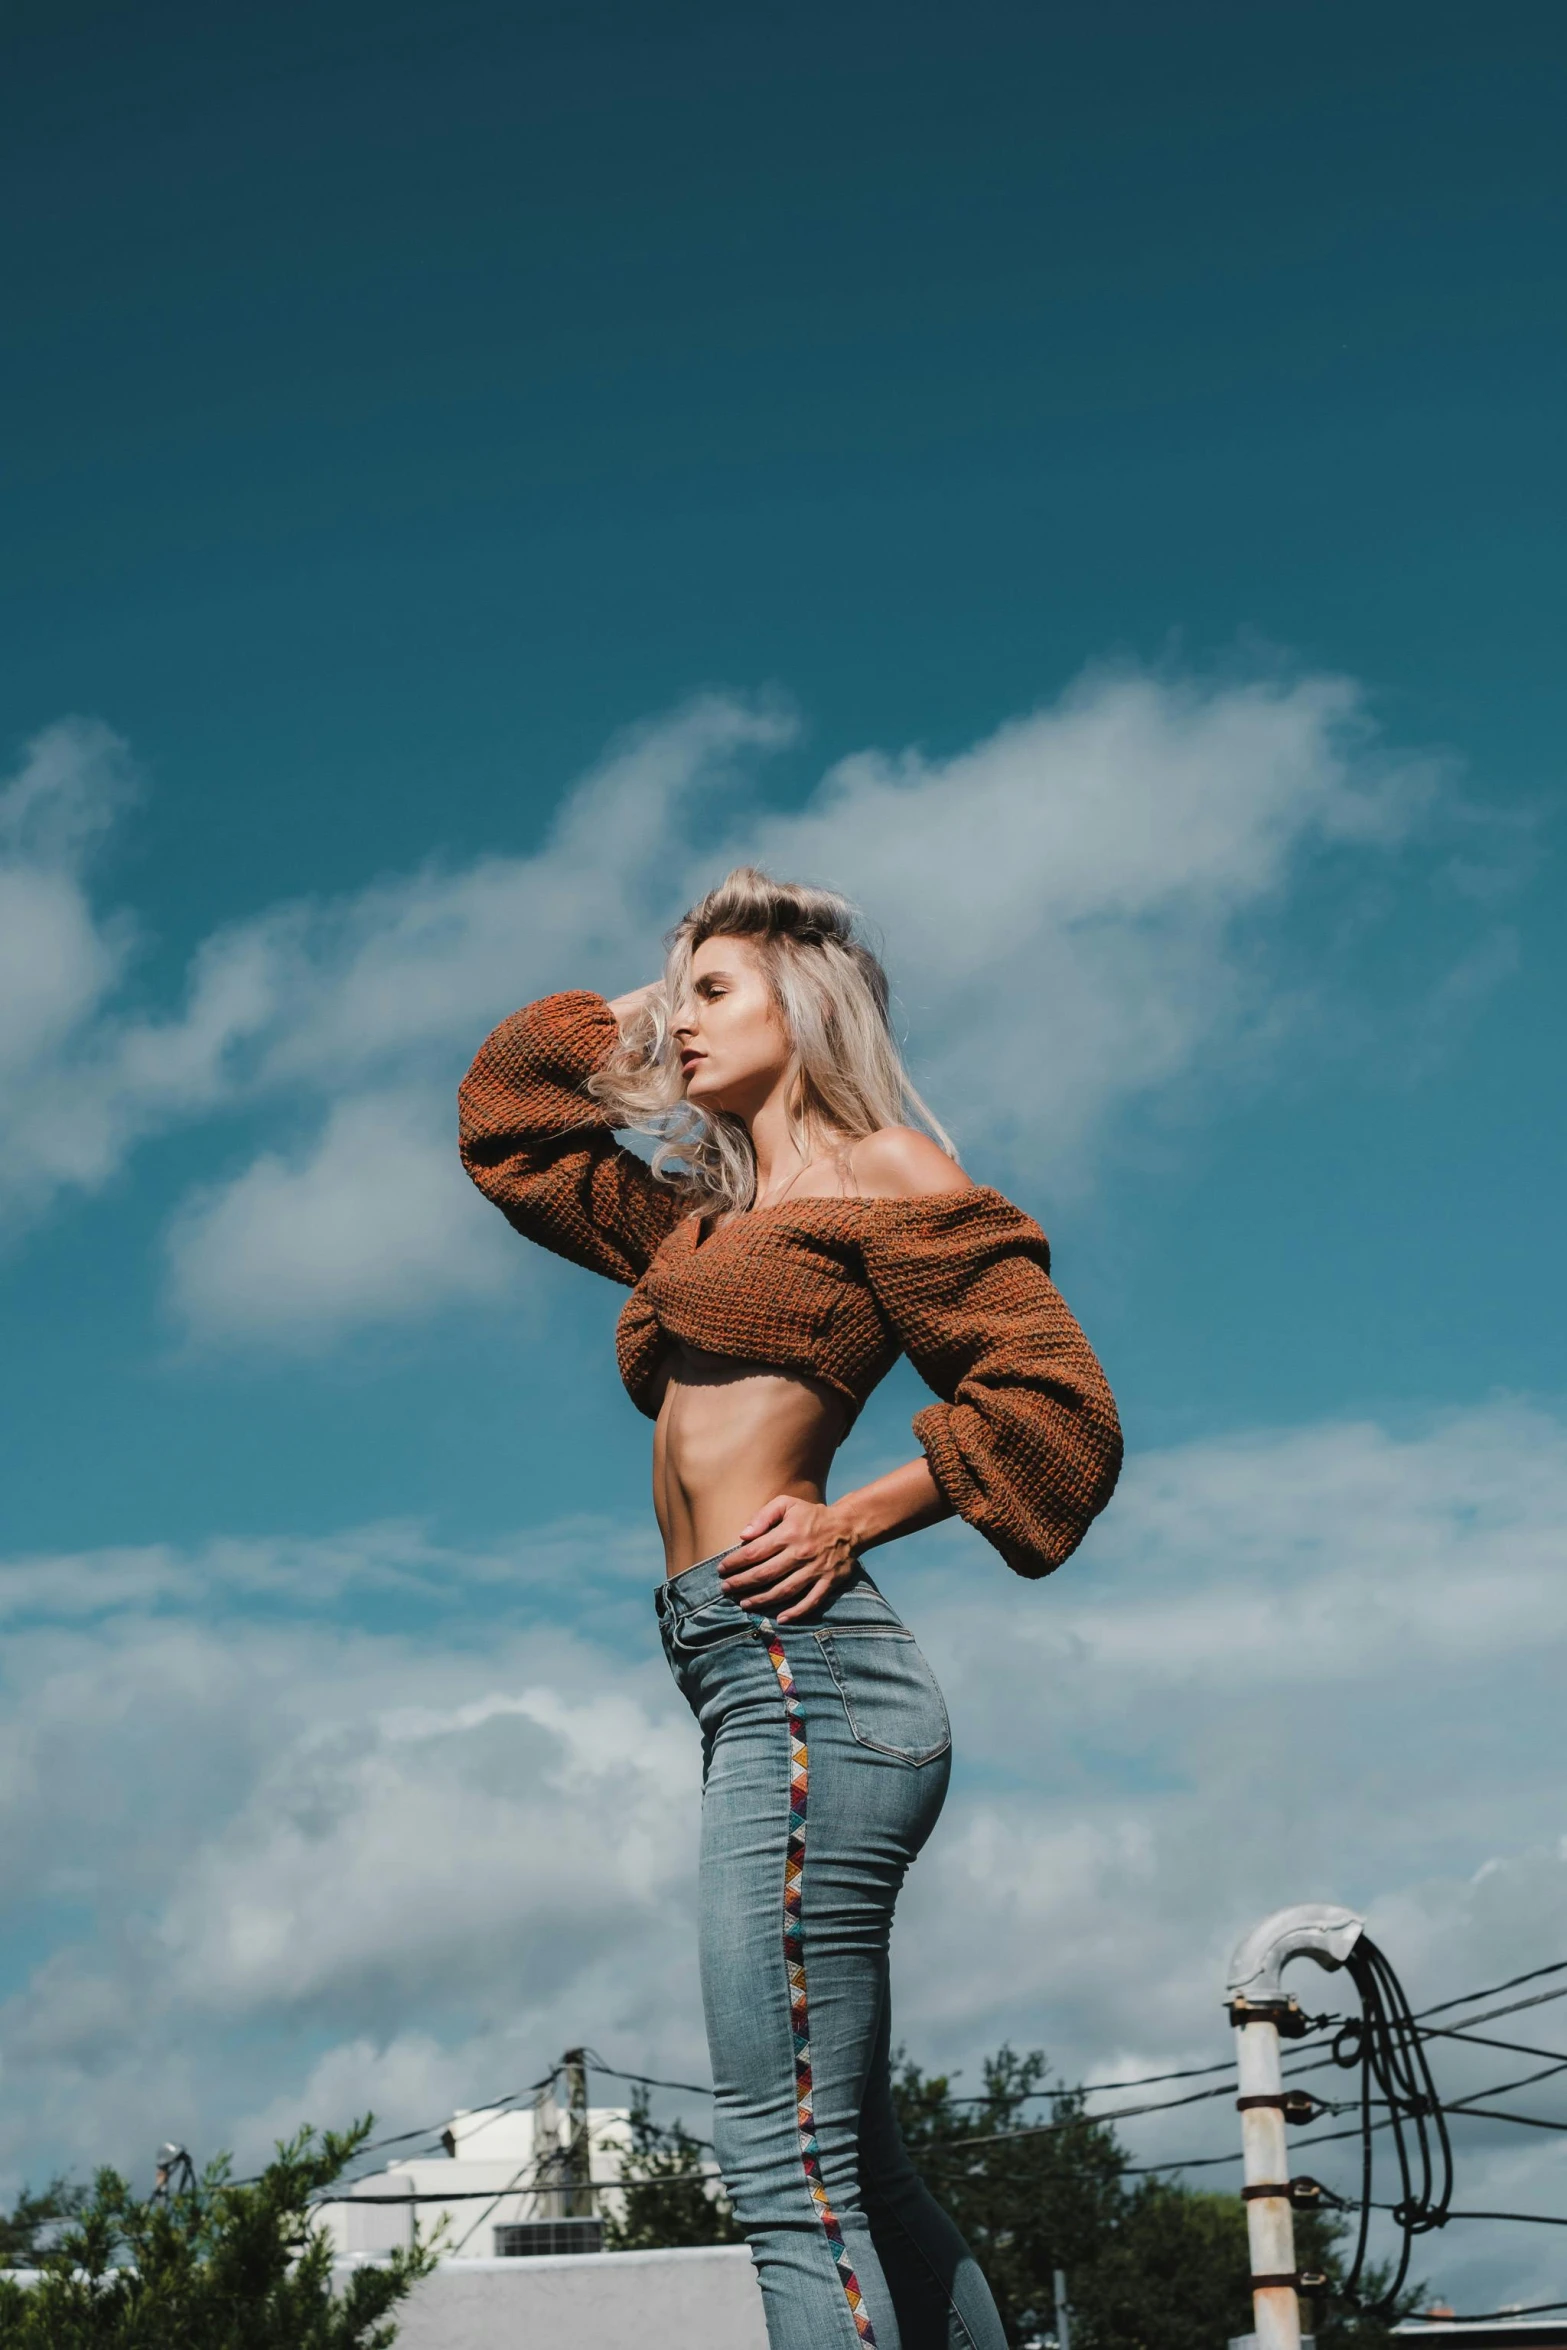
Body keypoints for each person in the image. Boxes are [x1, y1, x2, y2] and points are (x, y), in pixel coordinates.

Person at [457, 867, 1122, 2350]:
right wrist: (658, 991)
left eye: (716, 994)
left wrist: (853, 1512)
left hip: (812, 1674)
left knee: (777, 2158)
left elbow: (1058, 1411)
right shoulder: (695, 1219)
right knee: (854, 2166)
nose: (682, 1025)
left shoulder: (886, 1173)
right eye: (675, 997)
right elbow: (504, 1124)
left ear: (802, 1011)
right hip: (739, 1676)